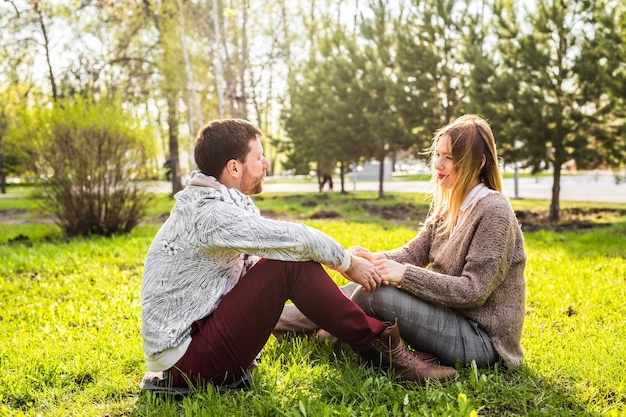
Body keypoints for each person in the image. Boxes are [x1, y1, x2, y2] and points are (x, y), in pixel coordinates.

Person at [140, 118, 458, 395]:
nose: (266, 164)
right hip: (191, 361)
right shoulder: (211, 213)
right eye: (259, 157)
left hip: (194, 347)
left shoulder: (214, 203)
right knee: (288, 264)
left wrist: (338, 260)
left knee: (288, 262)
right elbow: (295, 238)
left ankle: (382, 350)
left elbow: (255, 271)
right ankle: (387, 354)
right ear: (234, 167)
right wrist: (347, 264)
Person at [276, 114, 527, 370]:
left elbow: (473, 290)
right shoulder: (451, 204)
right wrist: (376, 260)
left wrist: (403, 275)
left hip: (483, 342)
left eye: (449, 157)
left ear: (479, 162)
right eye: (438, 155)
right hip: (448, 318)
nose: (438, 164)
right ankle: (281, 322)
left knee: (377, 293)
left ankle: (307, 330)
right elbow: (413, 253)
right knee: (371, 280)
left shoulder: (494, 210)